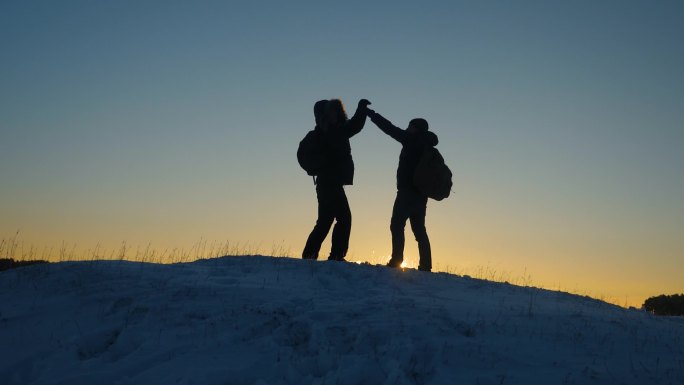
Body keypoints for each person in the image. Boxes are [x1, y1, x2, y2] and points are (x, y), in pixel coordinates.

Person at [367, 109, 438, 271]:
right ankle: (426, 265)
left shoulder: (411, 140)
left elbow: (389, 128)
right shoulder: (429, 147)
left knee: (397, 225)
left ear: (416, 128)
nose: (407, 128)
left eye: (410, 126)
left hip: (406, 193)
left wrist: (372, 115)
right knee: (420, 231)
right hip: (421, 195)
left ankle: (397, 260)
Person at [302, 98, 371, 261]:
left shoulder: (328, 130)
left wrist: (361, 110)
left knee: (325, 221)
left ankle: (310, 255)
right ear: (324, 115)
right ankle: (336, 255)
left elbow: (351, 127)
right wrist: (361, 109)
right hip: (329, 183)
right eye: (332, 111)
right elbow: (353, 127)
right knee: (344, 218)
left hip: (328, 182)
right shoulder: (330, 131)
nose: (336, 114)